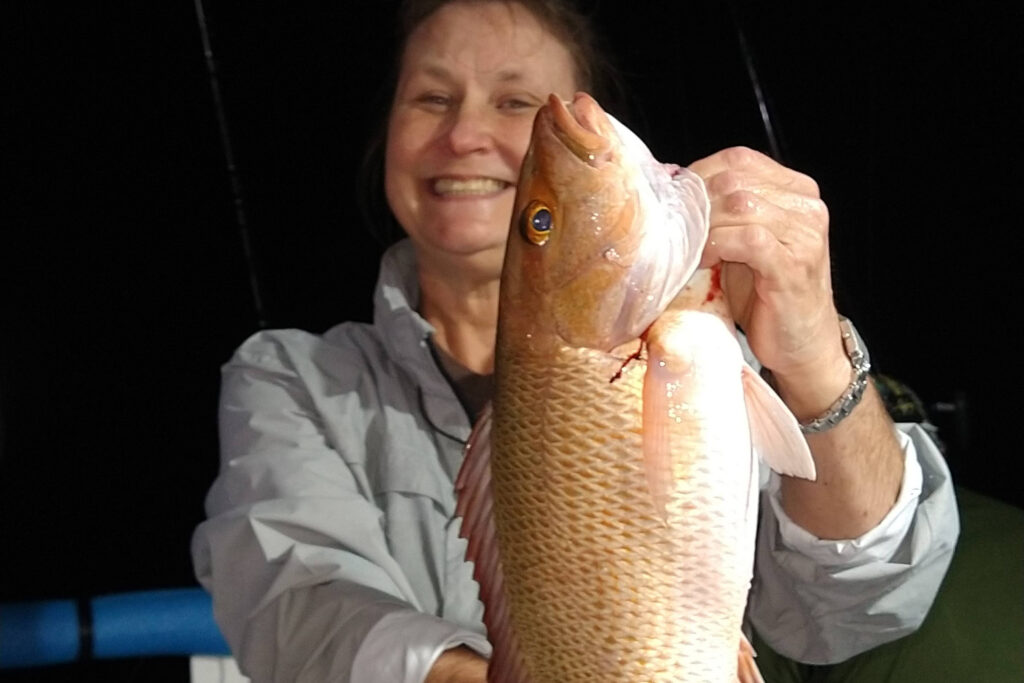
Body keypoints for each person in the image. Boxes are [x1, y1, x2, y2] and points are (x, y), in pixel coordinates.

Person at [191, 1, 959, 681]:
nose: (465, 134)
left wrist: (817, 358)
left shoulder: (713, 346)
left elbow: (860, 602)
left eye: (517, 100)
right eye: (432, 97)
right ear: (385, 132)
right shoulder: (290, 376)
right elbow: (293, 600)